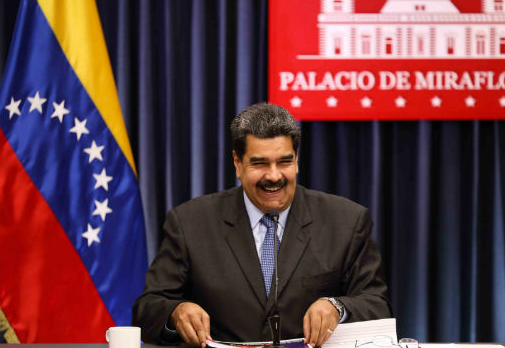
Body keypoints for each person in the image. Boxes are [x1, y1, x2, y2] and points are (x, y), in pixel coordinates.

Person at [133, 103, 391, 346]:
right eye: (260, 163)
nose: (274, 176)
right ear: (237, 163)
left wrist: (338, 307)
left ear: (297, 160)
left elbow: (377, 306)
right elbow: (147, 309)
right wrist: (176, 313)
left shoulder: (346, 221)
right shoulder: (190, 223)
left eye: (284, 162)